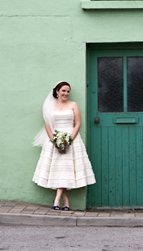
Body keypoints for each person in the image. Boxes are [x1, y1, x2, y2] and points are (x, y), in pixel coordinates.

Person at [32, 81, 96, 210]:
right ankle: (65, 200)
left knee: (66, 169)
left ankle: (57, 199)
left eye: (68, 91)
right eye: (63, 91)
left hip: (71, 139)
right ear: (57, 91)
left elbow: (77, 124)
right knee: (60, 170)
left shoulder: (73, 105)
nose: (66, 93)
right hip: (55, 139)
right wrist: (54, 141)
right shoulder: (50, 106)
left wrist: (70, 139)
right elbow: (47, 125)